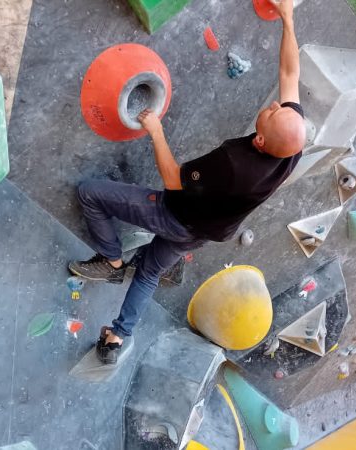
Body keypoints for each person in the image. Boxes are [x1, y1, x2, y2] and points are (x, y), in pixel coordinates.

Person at [69, 0, 306, 364]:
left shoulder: (233, 163)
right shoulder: (291, 147)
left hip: (174, 214)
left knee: (90, 194)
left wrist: (156, 131)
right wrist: (288, 18)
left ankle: (111, 261)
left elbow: (173, 179)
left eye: (273, 111)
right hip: (207, 231)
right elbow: (290, 74)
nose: (276, 105)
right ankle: (117, 337)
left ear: (260, 140)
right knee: (149, 272)